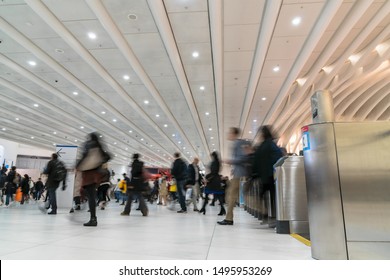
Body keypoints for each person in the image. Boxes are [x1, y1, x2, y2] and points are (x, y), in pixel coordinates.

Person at [76, 132, 111, 226]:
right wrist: (98, 164)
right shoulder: (99, 146)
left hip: (88, 174)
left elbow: (84, 157)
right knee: (91, 196)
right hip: (96, 175)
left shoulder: (88, 145)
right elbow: (108, 156)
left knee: (90, 197)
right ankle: (93, 217)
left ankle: (93, 219)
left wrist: (77, 166)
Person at [252, 125, 283, 226]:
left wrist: (255, 173)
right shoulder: (269, 144)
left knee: (266, 196)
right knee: (271, 196)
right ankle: (271, 216)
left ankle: (270, 216)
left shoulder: (265, 145)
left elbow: (256, 160)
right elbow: (278, 156)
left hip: (267, 175)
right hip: (270, 175)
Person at [218, 127, 249, 225]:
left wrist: (230, 161)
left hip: (239, 173)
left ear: (234, 134)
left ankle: (229, 219)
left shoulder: (238, 143)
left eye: (230, 133)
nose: (228, 135)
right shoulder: (238, 143)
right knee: (230, 195)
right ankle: (228, 218)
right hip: (238, 172)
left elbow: (242, 158)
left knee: (231, 196)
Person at [200, 151, 225, 216]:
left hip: (212, 181)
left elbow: (213, 172)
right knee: (218, 195)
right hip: (216, 180)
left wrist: (207, 178)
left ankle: (203, 208)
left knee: (207, 194)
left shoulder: (214, 162)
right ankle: (222, 209)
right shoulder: (218, 162)